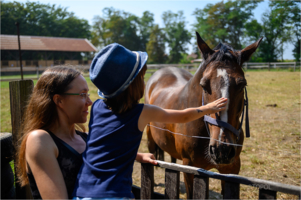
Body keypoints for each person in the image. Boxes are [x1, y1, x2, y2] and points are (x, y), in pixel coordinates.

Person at [73, 43, 228, 199]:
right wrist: (209, 108)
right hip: (115, 194)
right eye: (141, 77)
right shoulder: (142, 112)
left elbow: (107, 146)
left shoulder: (97, 107)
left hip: (81, 191)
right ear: (133, 85)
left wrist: (137, 155)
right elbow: (183, 116)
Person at [16, 66, 156, 199]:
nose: (89, 102)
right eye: (82, 95)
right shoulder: (39, 140)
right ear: (59, 100)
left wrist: (137, 155)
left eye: (88, 94)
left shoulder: (83, 137)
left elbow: (105, 151)